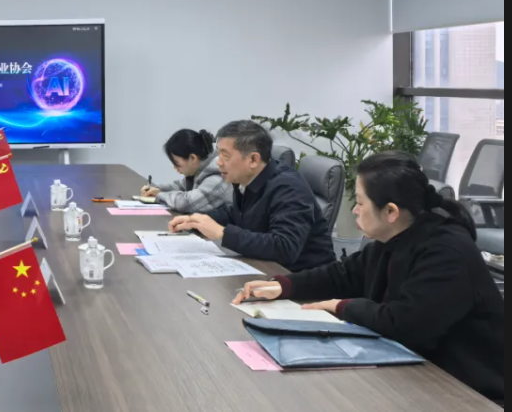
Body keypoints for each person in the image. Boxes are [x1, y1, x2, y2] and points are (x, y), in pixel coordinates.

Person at [235, 152, 504, 403]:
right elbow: (342, 274)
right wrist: (284, 285)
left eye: (361, 202)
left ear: (391, 212)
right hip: (413, 373)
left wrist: (341, 306)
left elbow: (405, 324)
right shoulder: (395, 238)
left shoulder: (447, 252)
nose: (355, 209)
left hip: (468, 390)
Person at [170, 120, 334, 272]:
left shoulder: (288, 188)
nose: (219, 162)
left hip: (303, 281)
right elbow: (236, 215)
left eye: (225, 156)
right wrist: (196, 221)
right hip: (264, 271)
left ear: (254, 159)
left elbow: (285, 247)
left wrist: (222, 233)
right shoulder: (245, 179)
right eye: (218, 154)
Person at [141, 129, 231, 213]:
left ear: (192, 158)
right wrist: (158, 189)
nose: (174, 167)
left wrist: (158, 195)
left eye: (176, 163)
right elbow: (181, 186)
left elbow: (186, 203)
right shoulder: (199, 171)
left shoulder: (218, 176)